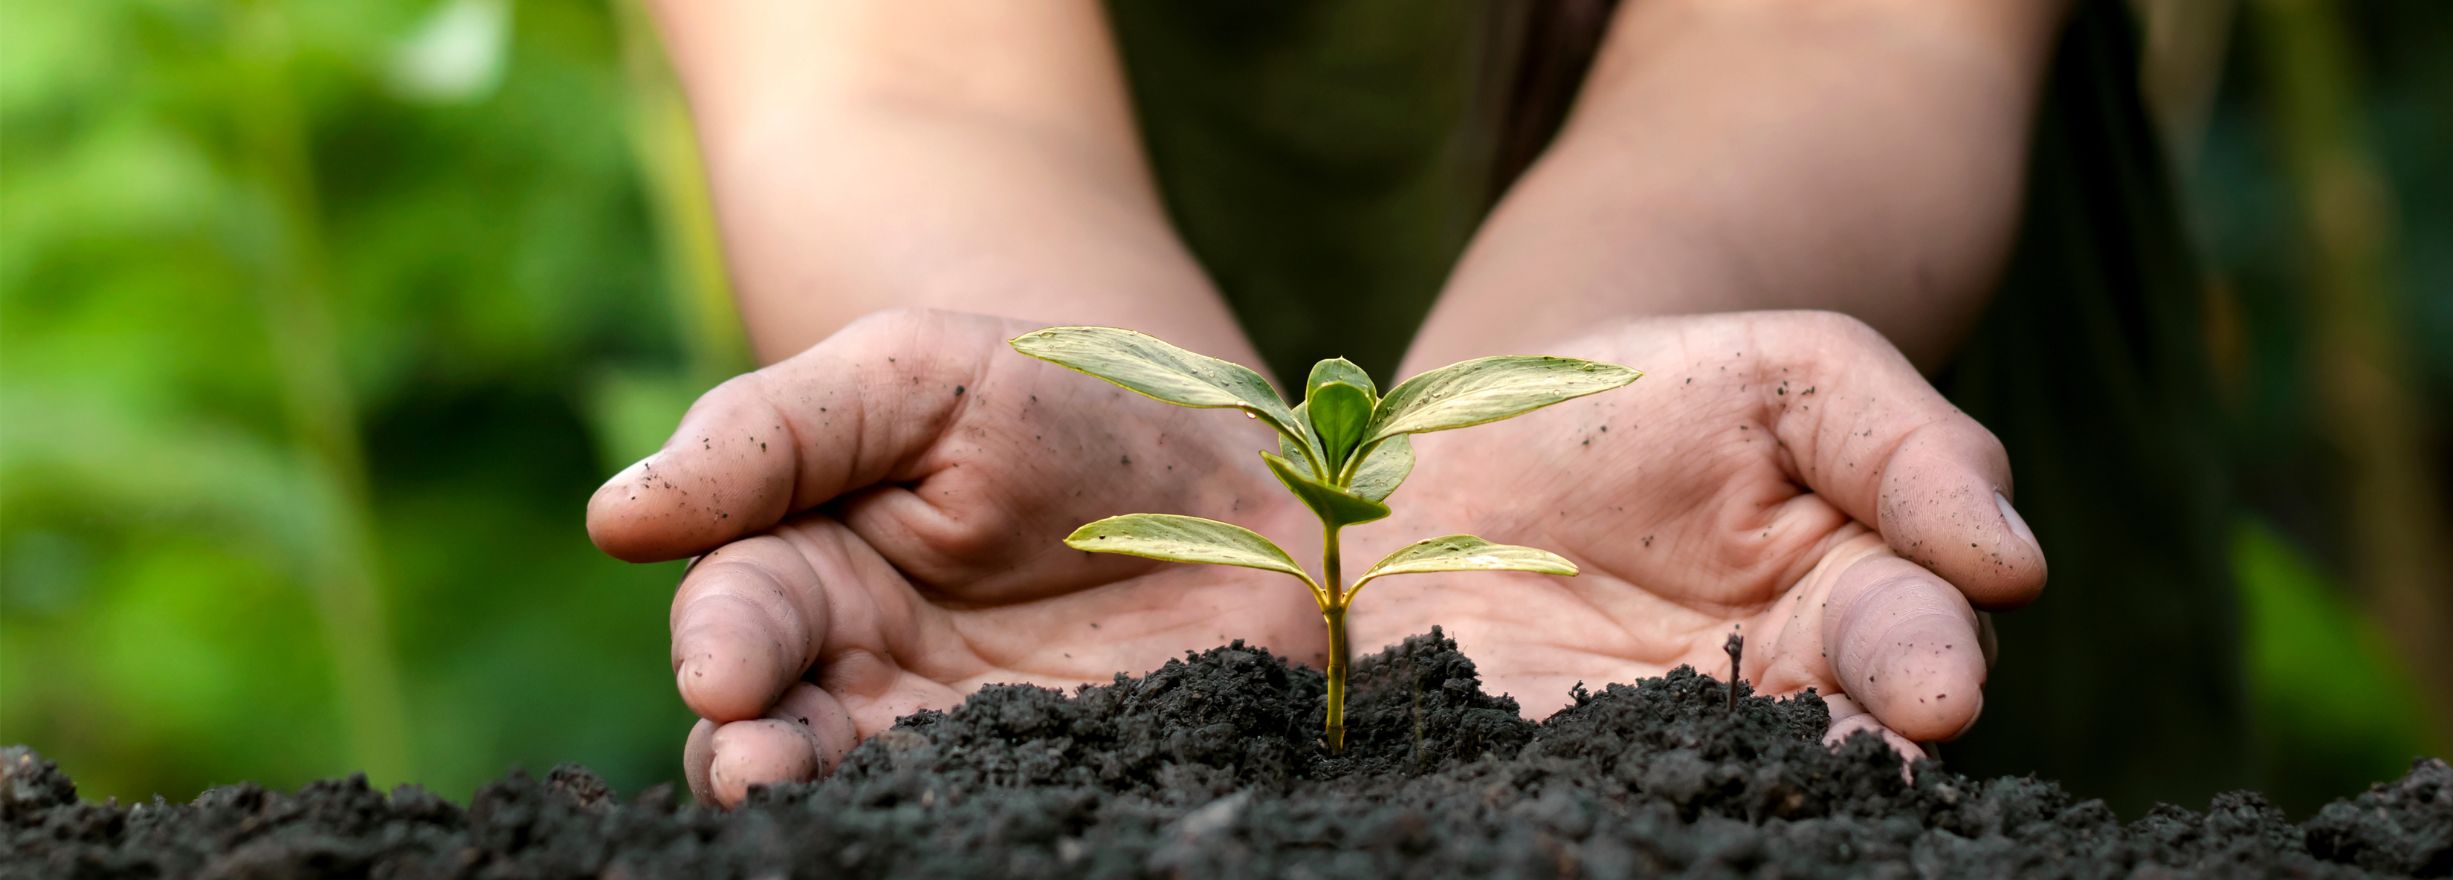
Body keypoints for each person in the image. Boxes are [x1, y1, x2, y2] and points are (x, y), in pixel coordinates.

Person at [590, 0, 2236, 810]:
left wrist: (1583, 384)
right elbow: (892, 64)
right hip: (1083, 282)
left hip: (1810, 335)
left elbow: (1848, 21)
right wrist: (1049, 353)